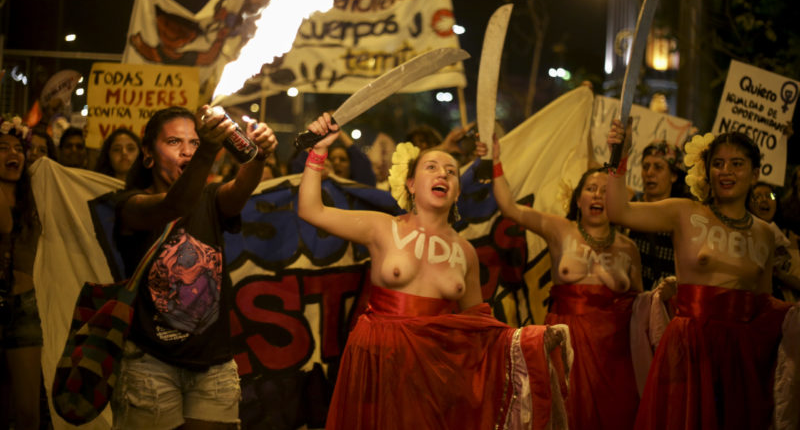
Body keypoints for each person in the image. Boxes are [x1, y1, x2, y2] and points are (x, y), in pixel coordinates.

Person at [298, 113, 569, 430]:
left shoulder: (466, 253)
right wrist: (318, 152)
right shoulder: (381, 227)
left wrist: (531, 341)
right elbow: (310, 210)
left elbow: (480, 330)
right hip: (377, 361)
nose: (443, 174)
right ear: (411, 184)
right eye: (432, 167)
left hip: (435, 376)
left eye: (451, 172)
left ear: (456, 191)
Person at [606, 121, 797, 429]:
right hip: (689, 349)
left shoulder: (764, 234)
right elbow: (619, 212)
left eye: (737, 164)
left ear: (756, 173)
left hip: (739, 358)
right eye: (718, 164)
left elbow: (764, 306)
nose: (726, 171)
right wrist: (621, 155)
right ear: (707, 171)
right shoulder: (684, 212)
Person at [110, 106, 277, 429]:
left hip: (212, 366)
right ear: (148, 153)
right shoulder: (130, 204)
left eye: (194, 143)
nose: (187, 151)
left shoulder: (212, 198)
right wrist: (209, 150)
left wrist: (259, 156)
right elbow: (174, 205)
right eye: (174, 142)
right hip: (150, 364)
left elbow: (241, 188)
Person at [492, 135, 644, 430]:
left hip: (615, 354)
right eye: (590, 189)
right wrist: (495, 161)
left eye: (604, 191)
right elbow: (510, 209)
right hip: (568, 345)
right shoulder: (560, 230)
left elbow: (640, 306)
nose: (598, 195)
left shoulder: (628, 247)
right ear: (578, 199)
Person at [0, 116, 43, 430]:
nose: (12, 153)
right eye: (2, 148)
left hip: (25, 307)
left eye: (18, 147)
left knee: (28, 411)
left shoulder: (38, 195)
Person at [630, 141, 687, 290]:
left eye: (658, 167)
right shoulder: (629, 208)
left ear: (674, 175)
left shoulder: (682, 214)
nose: (649, 173)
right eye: (645, 166)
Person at [748, 181, 800, 301]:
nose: (764, 200)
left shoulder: (790, 237)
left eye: (770, 196)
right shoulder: (743, 238)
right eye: (757, 197)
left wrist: (781, 275)